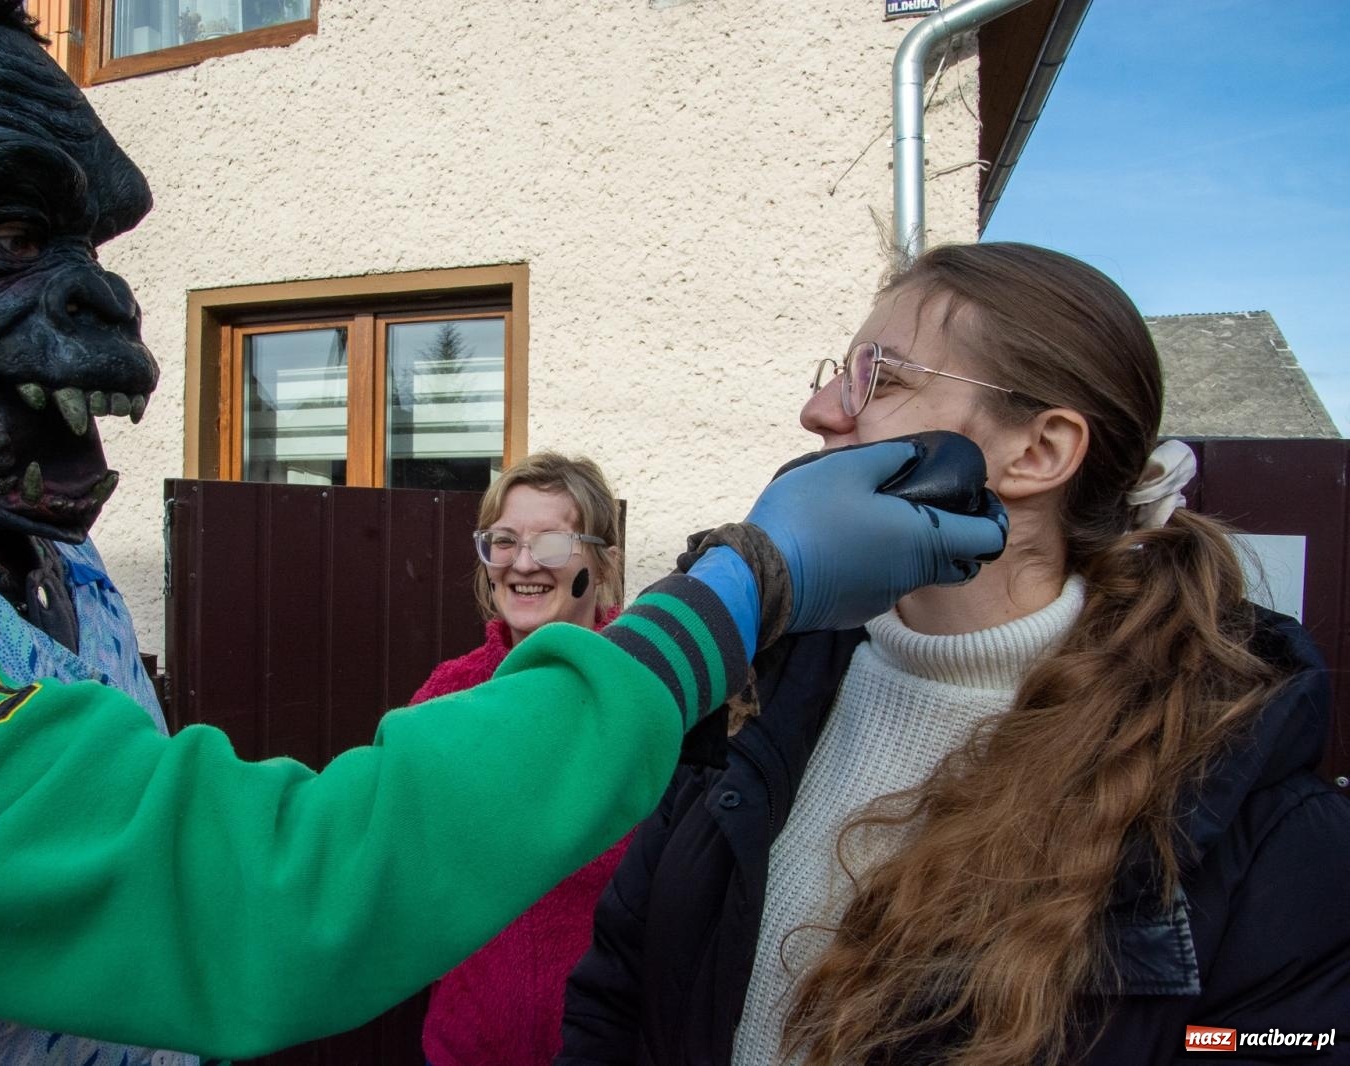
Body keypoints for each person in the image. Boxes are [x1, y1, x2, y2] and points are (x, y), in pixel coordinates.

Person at [0, 1, 1011, 1061]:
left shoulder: (34, 557)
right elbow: (261, 891)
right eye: (14, 231)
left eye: (883, 375)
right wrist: (746, 587)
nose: (111, 296)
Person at [558, 242, 1350, 1066]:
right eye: (840, 371)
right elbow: (617, 998)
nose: (821, 410)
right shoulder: (756, 694)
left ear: (1038, 452)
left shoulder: (1264, 832)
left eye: (883, 378)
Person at [416, 452, 628, 1066]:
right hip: (466, 1047)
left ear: (602, 560)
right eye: (504, 541)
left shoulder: (644, 697)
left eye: (553, 543)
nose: (524, 564)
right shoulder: (445, 698)